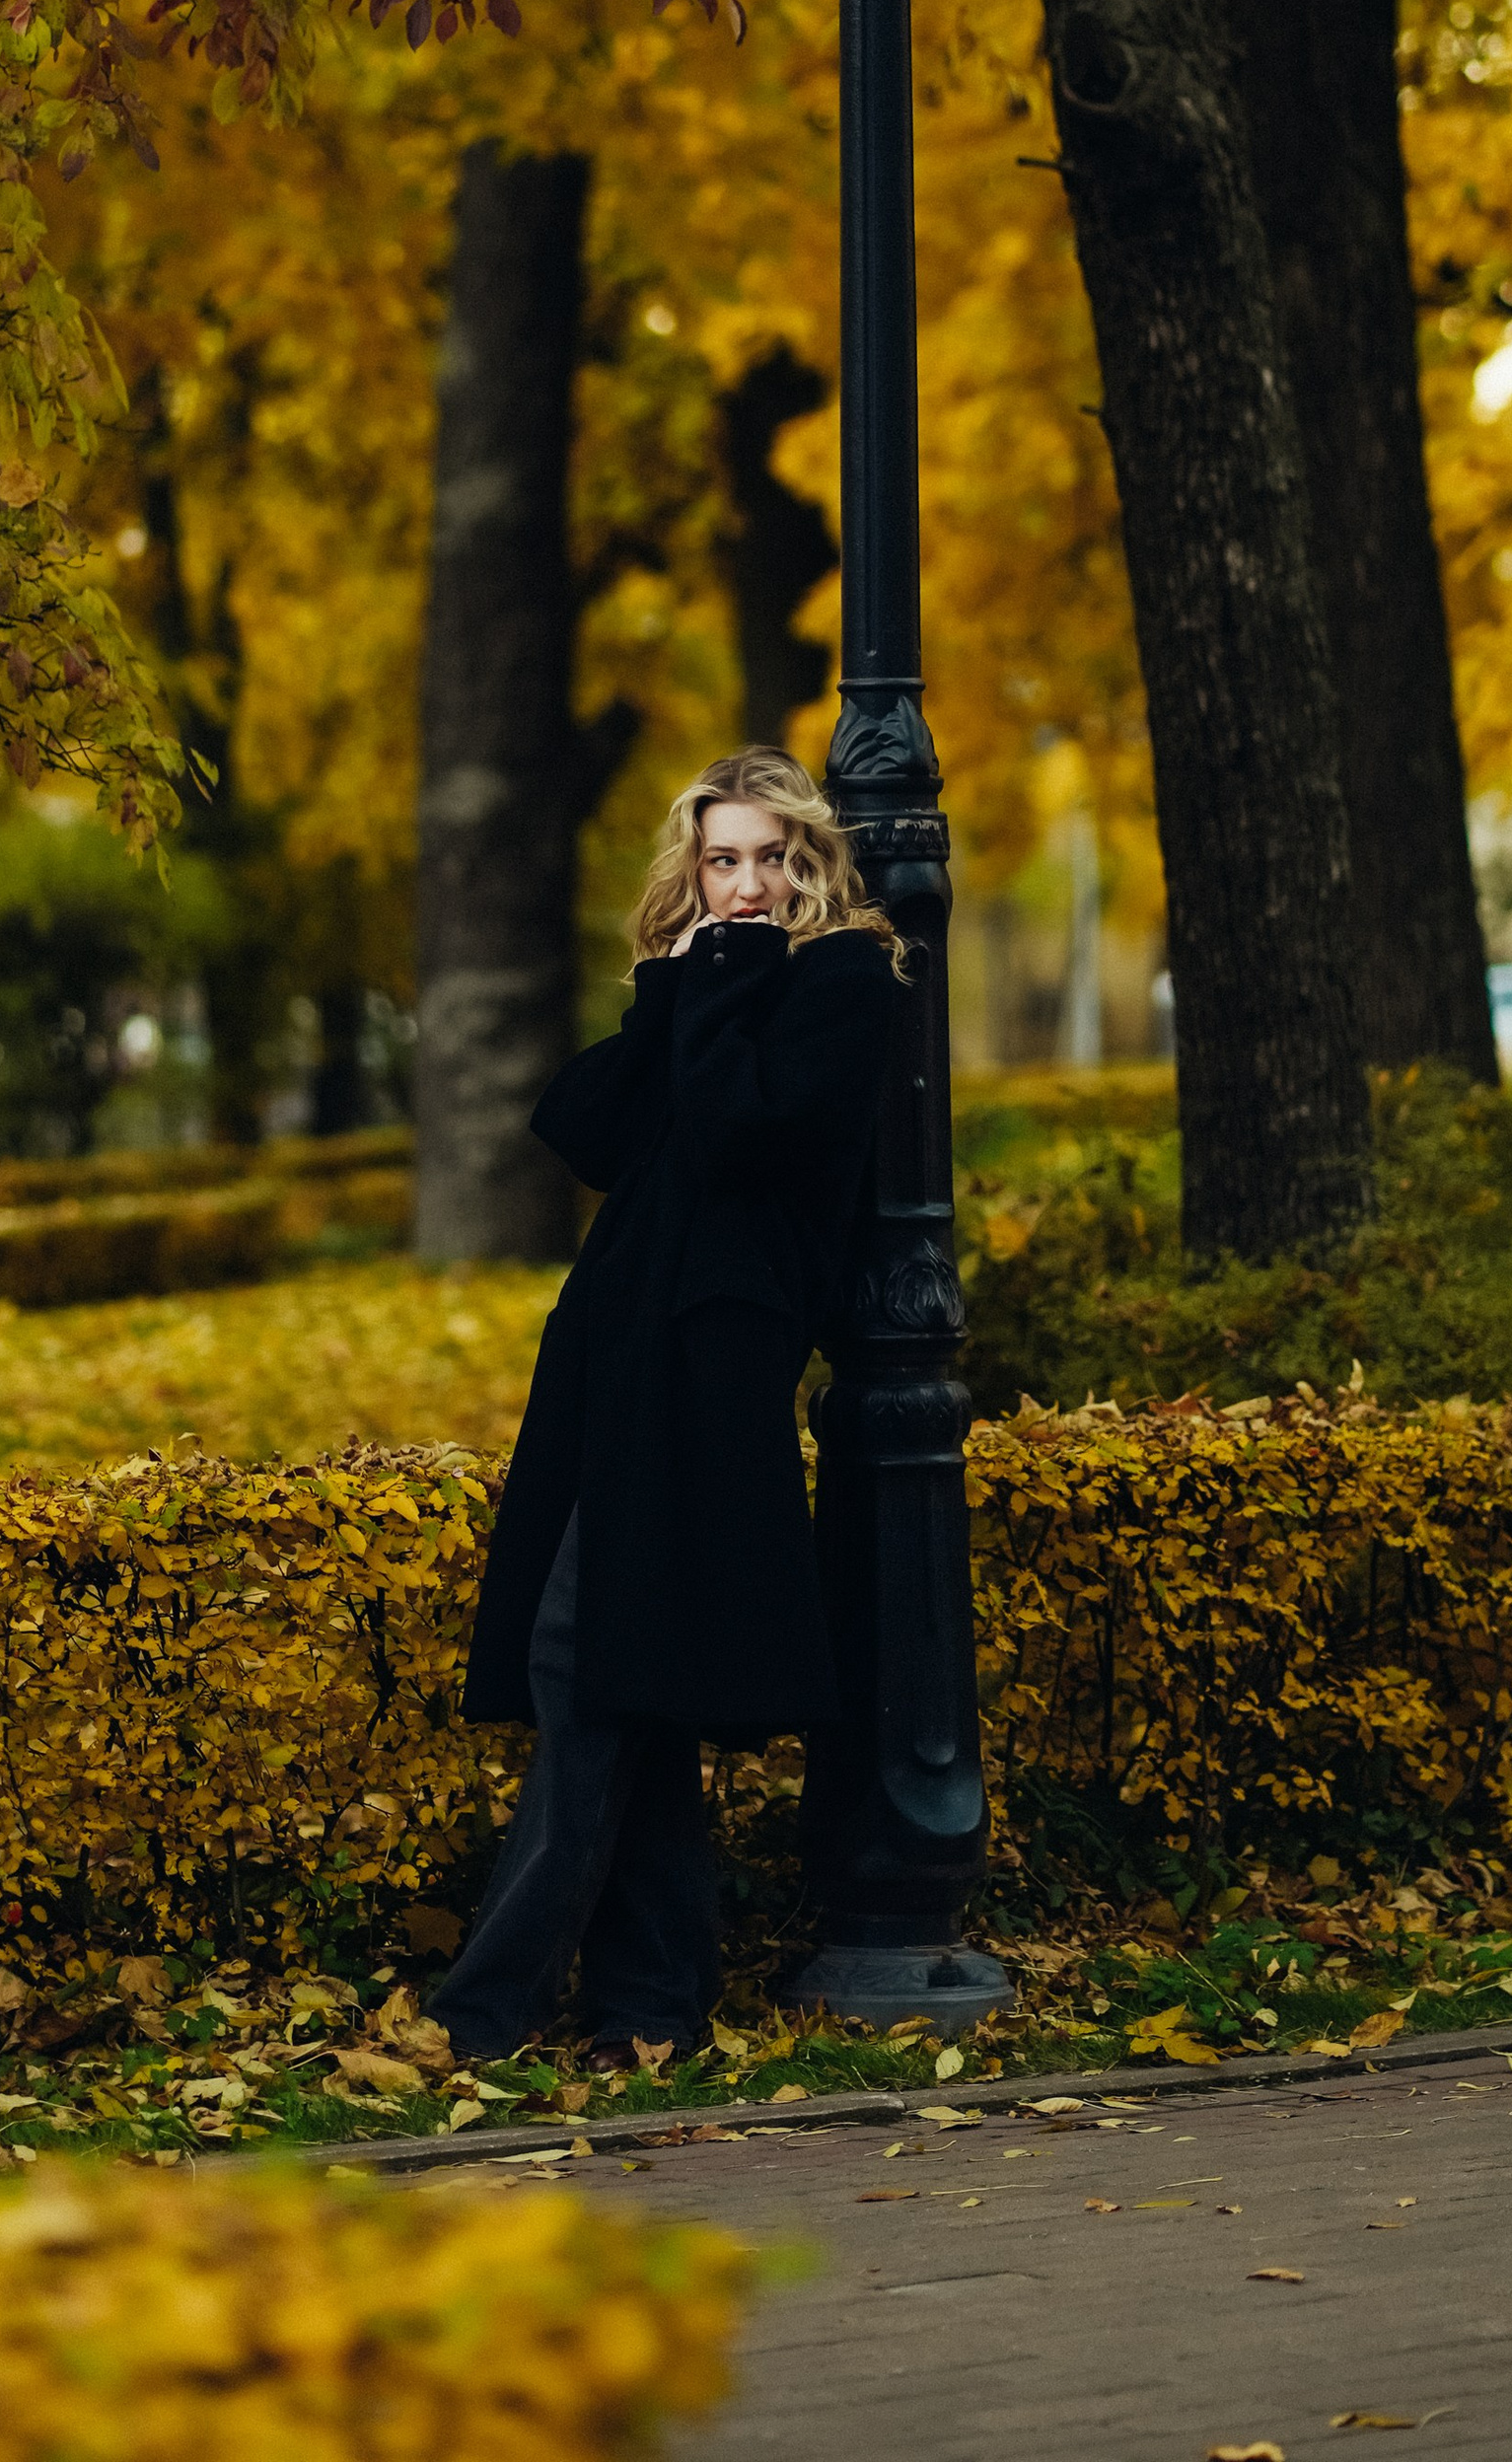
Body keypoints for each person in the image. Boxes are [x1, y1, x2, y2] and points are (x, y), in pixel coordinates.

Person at [435, 746, 905, 2067]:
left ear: (807, 860)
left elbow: (740, 1130)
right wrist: (668, 996)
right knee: (619, 1674)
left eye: (767, 857)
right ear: (690, 873)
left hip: (711, 1368)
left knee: (589, 1663)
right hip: (614, 1358)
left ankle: (492, 2004)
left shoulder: (843, 983)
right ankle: (654, 2002)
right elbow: (580, 1125)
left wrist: (724, 980)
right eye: (720, 861)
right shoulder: (705, 987)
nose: (745, 884)